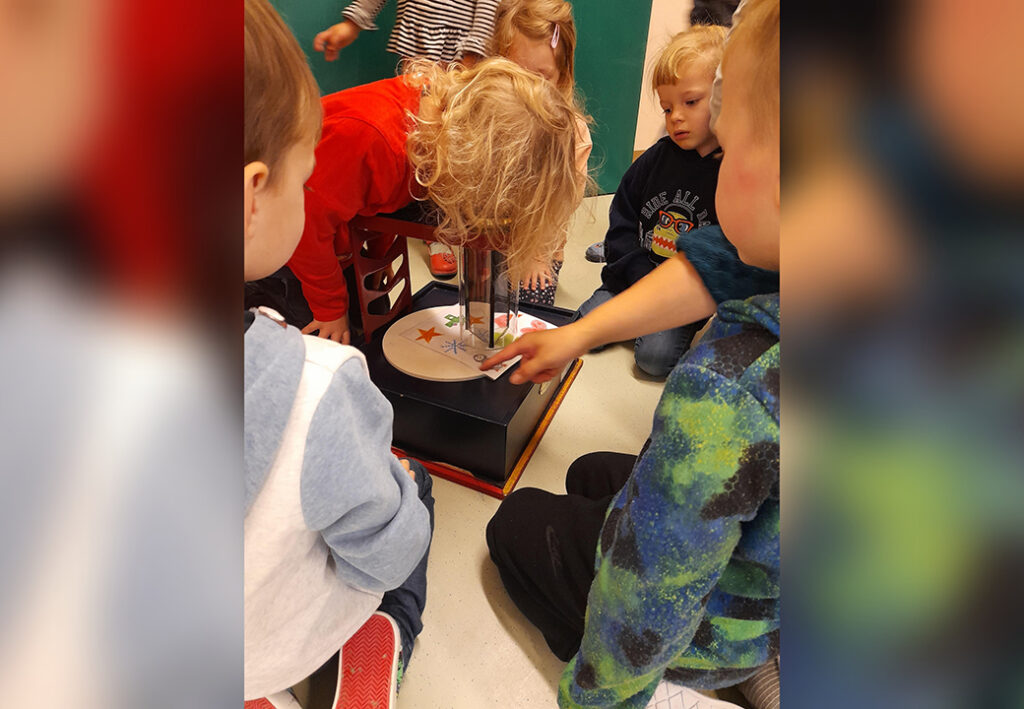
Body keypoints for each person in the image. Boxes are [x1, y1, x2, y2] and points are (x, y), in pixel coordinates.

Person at [482, 0, 780, 706]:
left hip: (717, 626)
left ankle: (731, 666)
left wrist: (601, 693)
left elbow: (649, 598)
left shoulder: (730, 387)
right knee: (591, 470)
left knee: (516, 522)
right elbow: (707, 266)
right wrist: (575, 335)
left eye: (731, 149)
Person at [243, 1, 433, 706]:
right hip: (265, 643)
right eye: (302, 171)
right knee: (410, 492)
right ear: (249, 199)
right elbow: (382, 548)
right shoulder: (320, 383)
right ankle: (385, 636)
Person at [283, 58, 585, 344]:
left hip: (332, 238)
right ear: (472, 160)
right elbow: (304, 228)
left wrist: (377, 252)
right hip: (275, 240)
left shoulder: (433, 134)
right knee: (318, 340)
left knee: (369, 321)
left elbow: (384, 198)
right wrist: (330, 311)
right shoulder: (371, 138)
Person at [575, 24, 775, 377]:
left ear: (721, 97)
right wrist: (634, 274)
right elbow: (622, 217)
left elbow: (724, 258)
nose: (676, 117)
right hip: (633, 276)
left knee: (653, 359)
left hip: (682, 293)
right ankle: (634, 319)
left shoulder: (732, 173)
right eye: (667, 108)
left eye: (690, 102)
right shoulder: (655, 159)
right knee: (583, 328)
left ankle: (642, 325)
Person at [314, 0, 503, 278]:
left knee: (446, 147)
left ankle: (441, 229)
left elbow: (488, 5)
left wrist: (471, 58)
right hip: (417, 41)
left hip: (460, 51)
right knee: (414, 145)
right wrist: (353, 22)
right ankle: (421, 231)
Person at [490, 0, 593, 306]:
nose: (527, 90)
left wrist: (536, 255)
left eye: (540, 77)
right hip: (494, 241)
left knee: (529, 309)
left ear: (562, 74)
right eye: (515, 74)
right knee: (483, 306)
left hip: (540, 246)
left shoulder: (570, 133)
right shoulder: (492, 116)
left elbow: (560, 208)